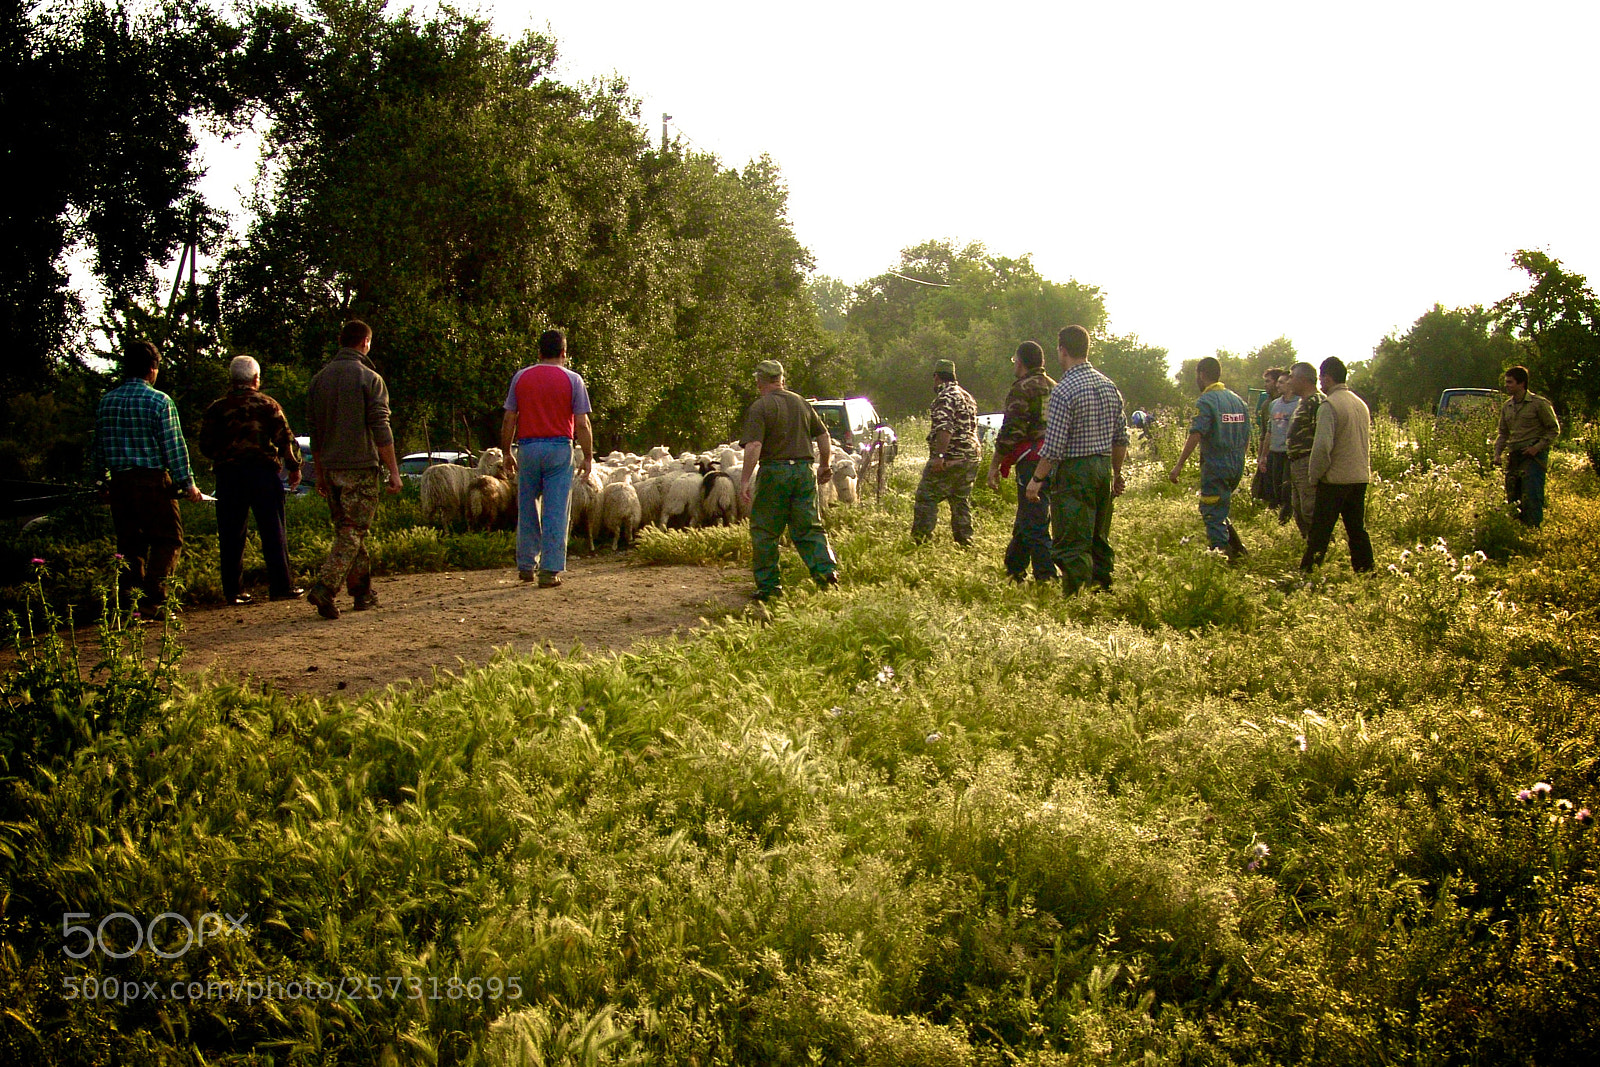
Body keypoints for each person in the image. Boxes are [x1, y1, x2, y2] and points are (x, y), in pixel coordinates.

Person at [90, 340, 203, 617]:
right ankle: (156, 597)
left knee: (130, 543)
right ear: (152, 369)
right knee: (168, 539)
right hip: (153, 481)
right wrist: (187, 483)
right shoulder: (159, 401)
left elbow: (98, 447)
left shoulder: (107, 402)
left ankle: (132, 602)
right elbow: (173, 447)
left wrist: (101, 481)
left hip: (120, 483)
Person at [304, 320, 403, 619]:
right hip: (360, 466)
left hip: (331, 467)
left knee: (349, 531)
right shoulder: (370, 378)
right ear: (365, 342)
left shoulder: (318, 380)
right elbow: (380, 426)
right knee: (354, 530)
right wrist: (394, 470)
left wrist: (319, 472)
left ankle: (362, 593)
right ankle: (326, 586)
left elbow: (314, 433)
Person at [1024, 326, 1128, 595]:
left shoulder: (1064, 390)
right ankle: (1102, 593)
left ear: (1063, 350)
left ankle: (1079, 601)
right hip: (1103, 468)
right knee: (1098, 538)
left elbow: (1054, 445)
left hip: (1074, 472)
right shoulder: (1109, 386)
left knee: (1072, 543)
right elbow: (1120, 438)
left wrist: (1036, 479)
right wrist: (1117, 474)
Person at [198, 355, 304, 606]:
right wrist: (294, 468)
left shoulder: (217, 408)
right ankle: (281, 585)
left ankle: (233, 591)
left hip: (229, 476)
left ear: (232, 379)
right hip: (263, 474)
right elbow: (284, 440)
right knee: (273, 530)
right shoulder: (268, 405)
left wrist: (224, 457)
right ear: (256, 379)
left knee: (231, 533)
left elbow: (205, 445)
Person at [500, 329, 594, 588]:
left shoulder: (521, 378)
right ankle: (550, 570)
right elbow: (582, 423)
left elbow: (510, 417)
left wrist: (506, 451)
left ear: (539, 352)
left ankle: (526, 565)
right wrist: (587, 456)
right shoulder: (574, 380)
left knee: (527, 506)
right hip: (559, 447)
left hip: (527, 447)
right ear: (564, 353)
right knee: (556, 509)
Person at [738, 359, 838, 601]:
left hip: (775, 472)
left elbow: (754, 445)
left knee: (765, 531)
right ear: (781, 379)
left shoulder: (760, 407)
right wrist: (824, 465)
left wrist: (744, 480)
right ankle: (826, 573)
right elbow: (824, 435)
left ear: (759, 380)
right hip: (804, 471)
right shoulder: (801, 402)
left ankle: (769, 588)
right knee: (809, 526)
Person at [986, 341, 1058, 582]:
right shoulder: (1055, 387)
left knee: (1035, 520)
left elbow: (1012, 431)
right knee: (1028, 515)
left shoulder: (1022, 388)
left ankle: (1046, 577)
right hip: (1055, 460)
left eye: (1014, 360)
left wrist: (995, 463)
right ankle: (1014, 567)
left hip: (1032, 460)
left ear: (1021, 362)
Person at [1167, 357, 1249, 560]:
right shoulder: (1238, 401)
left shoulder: (1206, 401)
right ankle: (1239, 551)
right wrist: (1240, 459)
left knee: (1212, 512)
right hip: (1236, 465)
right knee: (1220, 506)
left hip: (1217, 466)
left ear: (1202, 375)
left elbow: (1196, 434)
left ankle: (1222, 558)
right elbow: (1247, 436)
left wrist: (1178, 465)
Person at [1301, 356, 1374, 573]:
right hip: (1359, 477)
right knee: (1357, 531)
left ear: (1328, 378)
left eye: (1322, 378)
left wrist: (1314, 476)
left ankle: (1307, 574)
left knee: (1320, 532)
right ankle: (1366, 571)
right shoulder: (1360, 403)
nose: (1320, 383)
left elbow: (1322, 446)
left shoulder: (1329, 405)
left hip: (1335, 479)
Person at [912, 358, 981, 546]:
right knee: (960, 499)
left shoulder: (945, 397)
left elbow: (945, 428)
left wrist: (939, 457)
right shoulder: (967, 396)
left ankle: (921, 540)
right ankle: (964, 540)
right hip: (971, 456)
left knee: (926, 497)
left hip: (951, 457)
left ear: (936, 377)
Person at [1494, 365, 1560, 527]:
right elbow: (1503, 433)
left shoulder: (1539, 404)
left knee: (1532, 495)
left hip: (1533, 457)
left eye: (1510, 382)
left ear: (1521, 383)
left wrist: (1537, 448)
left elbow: (1553, 430)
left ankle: (1533, 532)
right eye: (1506, 382)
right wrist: (1497, 454)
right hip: (1515, 455)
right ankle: (1517, 531)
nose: (1507, 385)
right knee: (1513, 497)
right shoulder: (1507, 406)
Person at [1282, 362, 1324, 538]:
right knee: (1299, 509)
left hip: (1308, 463)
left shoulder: (1317, 402)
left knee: (1310, 509)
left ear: (1303, 379)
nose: (1288, 381)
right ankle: (1310, 544)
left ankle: (1320, 547)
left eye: (1292, 377)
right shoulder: (1303, 402)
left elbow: (1321, 436)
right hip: (1296, 464)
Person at [1266, 372, 1300, 523]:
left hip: (1290, 452)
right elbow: (1269, 430)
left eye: (1281, 382)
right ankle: (1275, 514)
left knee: (1287, 487)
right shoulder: (1274, 404)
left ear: (1289, 384)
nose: (1277, 385)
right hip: (1275, 451)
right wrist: (1262, 454)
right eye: (1277, 382)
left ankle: (1285, 517)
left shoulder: (1299, 404)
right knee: (1275, 486)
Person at [1251, 368, 1284, 502]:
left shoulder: (1288, 403)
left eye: (1268, 381)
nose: (1265, 384)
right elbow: (1264, 433)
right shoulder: (1266, 404)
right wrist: (1260, 455)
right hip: (1268, 450)